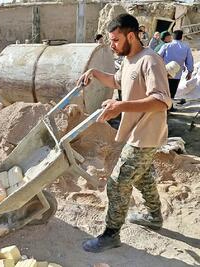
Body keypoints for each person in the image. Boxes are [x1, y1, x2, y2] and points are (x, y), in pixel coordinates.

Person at [77, 13, 171, 253]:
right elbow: (118, 82)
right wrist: (95, 73)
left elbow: (161, 100)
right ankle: (154, 216)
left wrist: (120, 106)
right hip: (136, 133)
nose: (112, 45)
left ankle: (111, 234)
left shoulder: (150, 61)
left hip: (146, 134)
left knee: (118, 183)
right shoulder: (129, 60)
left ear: (131, 35)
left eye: (116, 40)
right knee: (142, 176)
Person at [158, 30, 194, 108]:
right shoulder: (186, 47)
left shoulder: (166, 46)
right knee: (172, 92)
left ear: (173, 36)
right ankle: (169, 108)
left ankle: (162, 107)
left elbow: (158, 57)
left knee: (163, 91)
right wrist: (189, 72)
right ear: (182, 37)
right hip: (177, 74)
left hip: (164, 73)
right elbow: (189, 61)